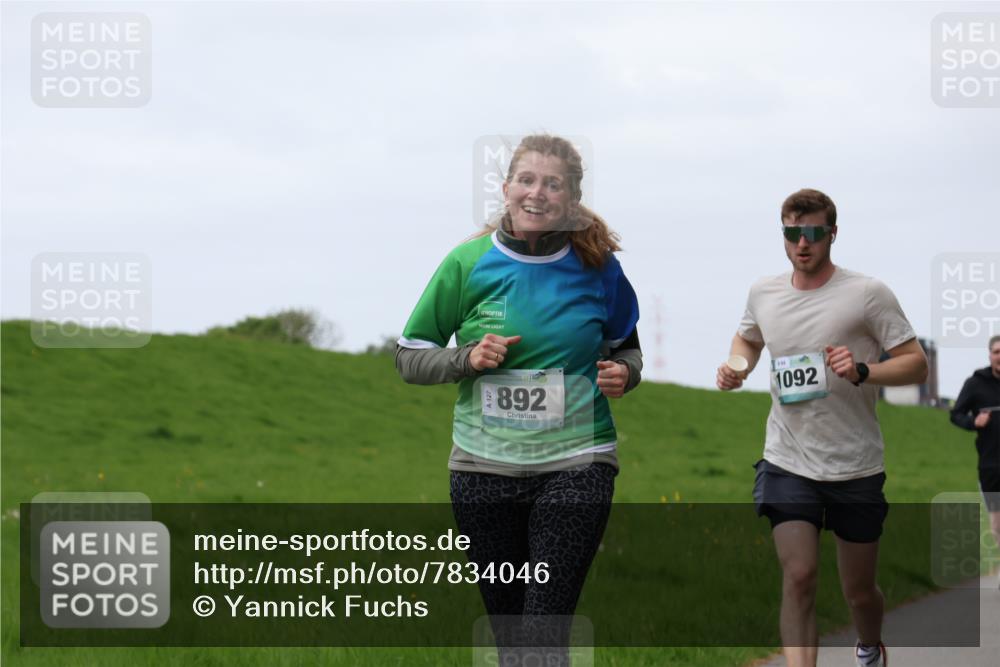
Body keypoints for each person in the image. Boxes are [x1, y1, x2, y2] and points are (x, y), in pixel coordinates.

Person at [395, 134, 641, 665]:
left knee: (544, 626)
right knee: (510, 636)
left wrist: (625, 373)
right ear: (506, 189)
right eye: (526, 180)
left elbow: (628, 350)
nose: (537, 193)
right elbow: (409, 357)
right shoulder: (466, 264)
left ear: (571, 201)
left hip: (577, 462)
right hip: (481, 469)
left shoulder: (599, 268)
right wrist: (467, 359)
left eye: (552, 184)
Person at [716, 188, 928, 667]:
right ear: (784, 235)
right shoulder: (764, 292)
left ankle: (869, 645)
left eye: (813, 233)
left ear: (832, 234)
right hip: (787, 459)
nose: (803, 244)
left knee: (859, 592)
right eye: (793, 234)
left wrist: (864, 370)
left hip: (854, 464)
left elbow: (916, 366)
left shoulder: (867, 294)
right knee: (800, 576)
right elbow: (748, 338)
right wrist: (738, 364)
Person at [950, 335, 1000, 562]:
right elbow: (956, 414)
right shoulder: (975, 384)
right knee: (997, 525)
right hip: (991, 466)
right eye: (997, 351)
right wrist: (973, 423)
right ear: (990, 355)